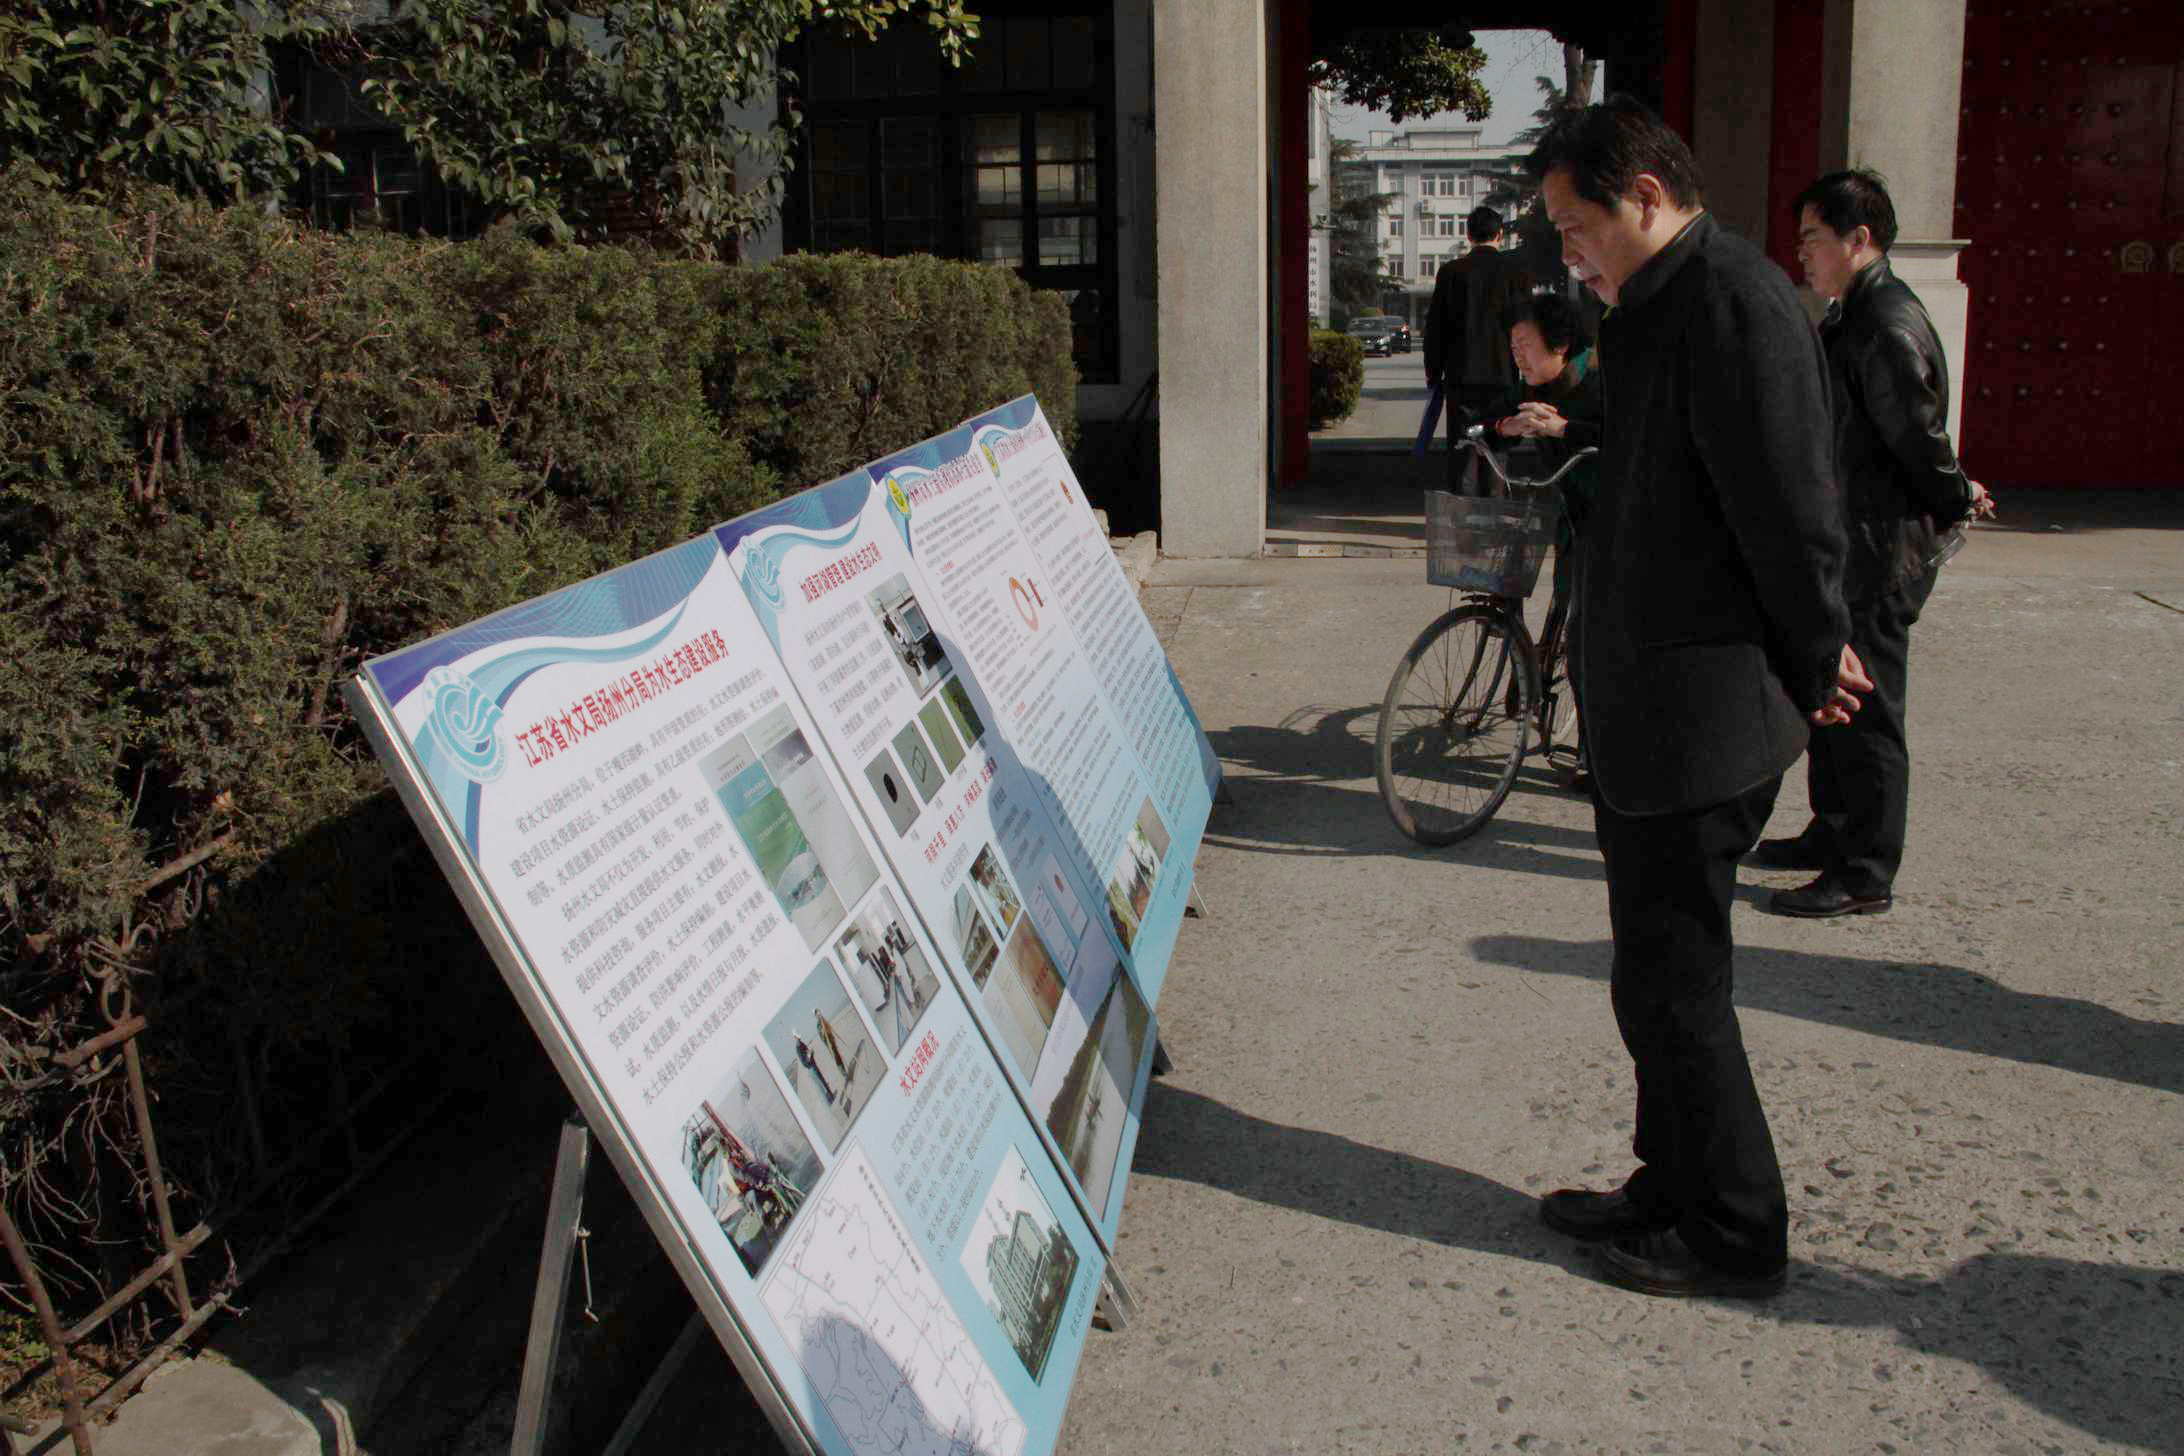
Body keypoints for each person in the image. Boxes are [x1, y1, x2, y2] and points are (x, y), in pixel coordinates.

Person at [1523, 97, 1872, 1299]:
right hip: (1648, 709)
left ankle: (1734, 1228)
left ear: (1647, 198)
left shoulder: (1735, 302)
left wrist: (1820, 655)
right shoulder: (1653, 307)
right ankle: (1667, 1181)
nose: (1569, 251)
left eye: (1577, 226)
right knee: (1649, 979)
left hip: (1701, 714)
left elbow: (1792, 512)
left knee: (1679, 987)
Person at [1753, 169, 1995, 918]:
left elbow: (1917, 438)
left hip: (1880, 549)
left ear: (1858, 239)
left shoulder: (1884, 322)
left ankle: (1865, 870)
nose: (1801, 253)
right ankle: (1832, 831)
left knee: (1871, 710)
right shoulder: (1854, 313)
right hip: (1850, 540)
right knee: (1833, 692)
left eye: (1813, 239)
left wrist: (1958, 496)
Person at [1423, 206, 1527, 489]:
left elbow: (1435, 329)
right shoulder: (1514, 273)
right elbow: (1525, 325)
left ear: (1468, 235)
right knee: (1498, 446)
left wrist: (1434, 373)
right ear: (1500, 234)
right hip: (1503, 377)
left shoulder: (1451, 273)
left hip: (1461, 378)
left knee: (1462, 449)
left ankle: (1462, 508)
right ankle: (1495, 506)